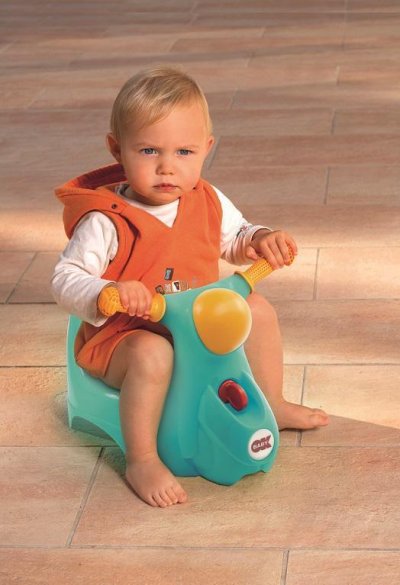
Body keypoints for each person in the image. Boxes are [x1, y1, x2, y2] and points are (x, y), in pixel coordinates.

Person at [51, 66, 329, 509]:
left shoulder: (207, 199)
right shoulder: (106, 221)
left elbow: (235, 238)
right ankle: (142, 458)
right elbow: (65, 278)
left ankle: (272, 403)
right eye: (148, 150)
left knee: (257, 309)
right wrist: (108, 291)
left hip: (195, 326)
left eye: (184, 151)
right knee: (152, 353)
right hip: (125, 336)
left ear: (206, 149)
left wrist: (260, 239)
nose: (167, 166)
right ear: (117, 149)